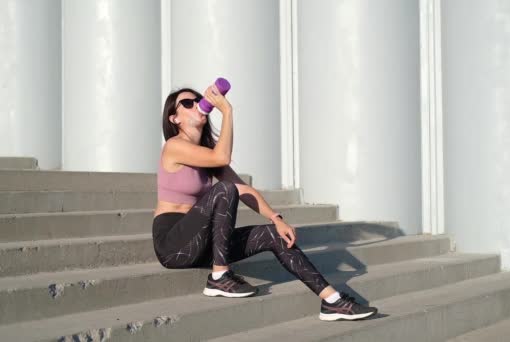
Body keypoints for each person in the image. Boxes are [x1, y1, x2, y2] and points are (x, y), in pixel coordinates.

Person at [151, 84, 378, 321]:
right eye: (187, 103)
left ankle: (332, 301)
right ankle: (219, 277)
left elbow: (245, 190)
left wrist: (276, 218)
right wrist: (227, 111)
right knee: (224, 189)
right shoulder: (174, 147)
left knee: (275, 234)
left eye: (198, 100)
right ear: (174, 118)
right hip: (173, 244)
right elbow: (222, 158)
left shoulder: (207, 155)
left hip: (201, 243)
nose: (196, 104)